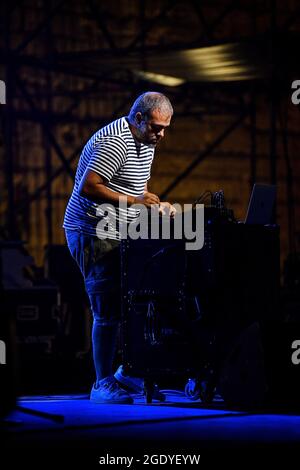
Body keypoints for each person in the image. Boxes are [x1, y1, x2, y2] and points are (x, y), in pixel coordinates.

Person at [63, 91, 175, 404]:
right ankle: (101, 383)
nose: (161, 134)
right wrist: (136, 201)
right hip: (91, 230)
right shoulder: (115, 141)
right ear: (138, 118)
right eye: (156, 127)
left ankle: (127, 374)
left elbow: (132, 186)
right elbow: (90, 186)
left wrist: (152, 202)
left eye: (165, 128)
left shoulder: (147, 141)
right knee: (107, 309)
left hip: (121, 229)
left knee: (135, 301)